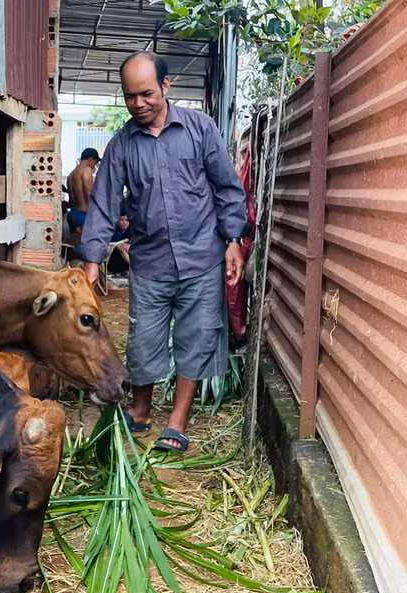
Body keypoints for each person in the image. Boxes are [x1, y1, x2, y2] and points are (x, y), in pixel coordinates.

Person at [79, 52, 248, 452]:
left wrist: (233, 242)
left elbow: (227, 189)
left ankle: (177, 422)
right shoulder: (121, 145)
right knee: (143, 341)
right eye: (130, 97)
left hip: (202, 257)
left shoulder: (199, 129)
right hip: (151, 262)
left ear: (166, 87)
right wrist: (91, 260)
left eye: (147, 94)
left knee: (196, 337)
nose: (138, 103)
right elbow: (103, 203)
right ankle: (140, 412)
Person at [65, 148, 101, 232]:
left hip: (72, 214)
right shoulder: (87, 170)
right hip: (83, 216)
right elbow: (88, 192)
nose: (94, 166)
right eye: (95, 162)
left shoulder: (71, 175)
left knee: (74, 242)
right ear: (90, 159)